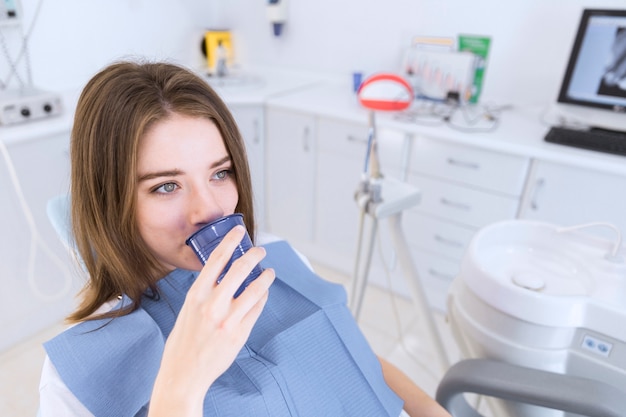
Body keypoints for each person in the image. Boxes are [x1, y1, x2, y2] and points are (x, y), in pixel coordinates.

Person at [38, 59, 451, 417]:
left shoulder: (275, 255)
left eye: (220, 173)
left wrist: (427, 407)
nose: (211, 210)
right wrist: (180, 386)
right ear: (110, 200)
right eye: (166, 186)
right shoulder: (75, 375)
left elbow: (351, 351)